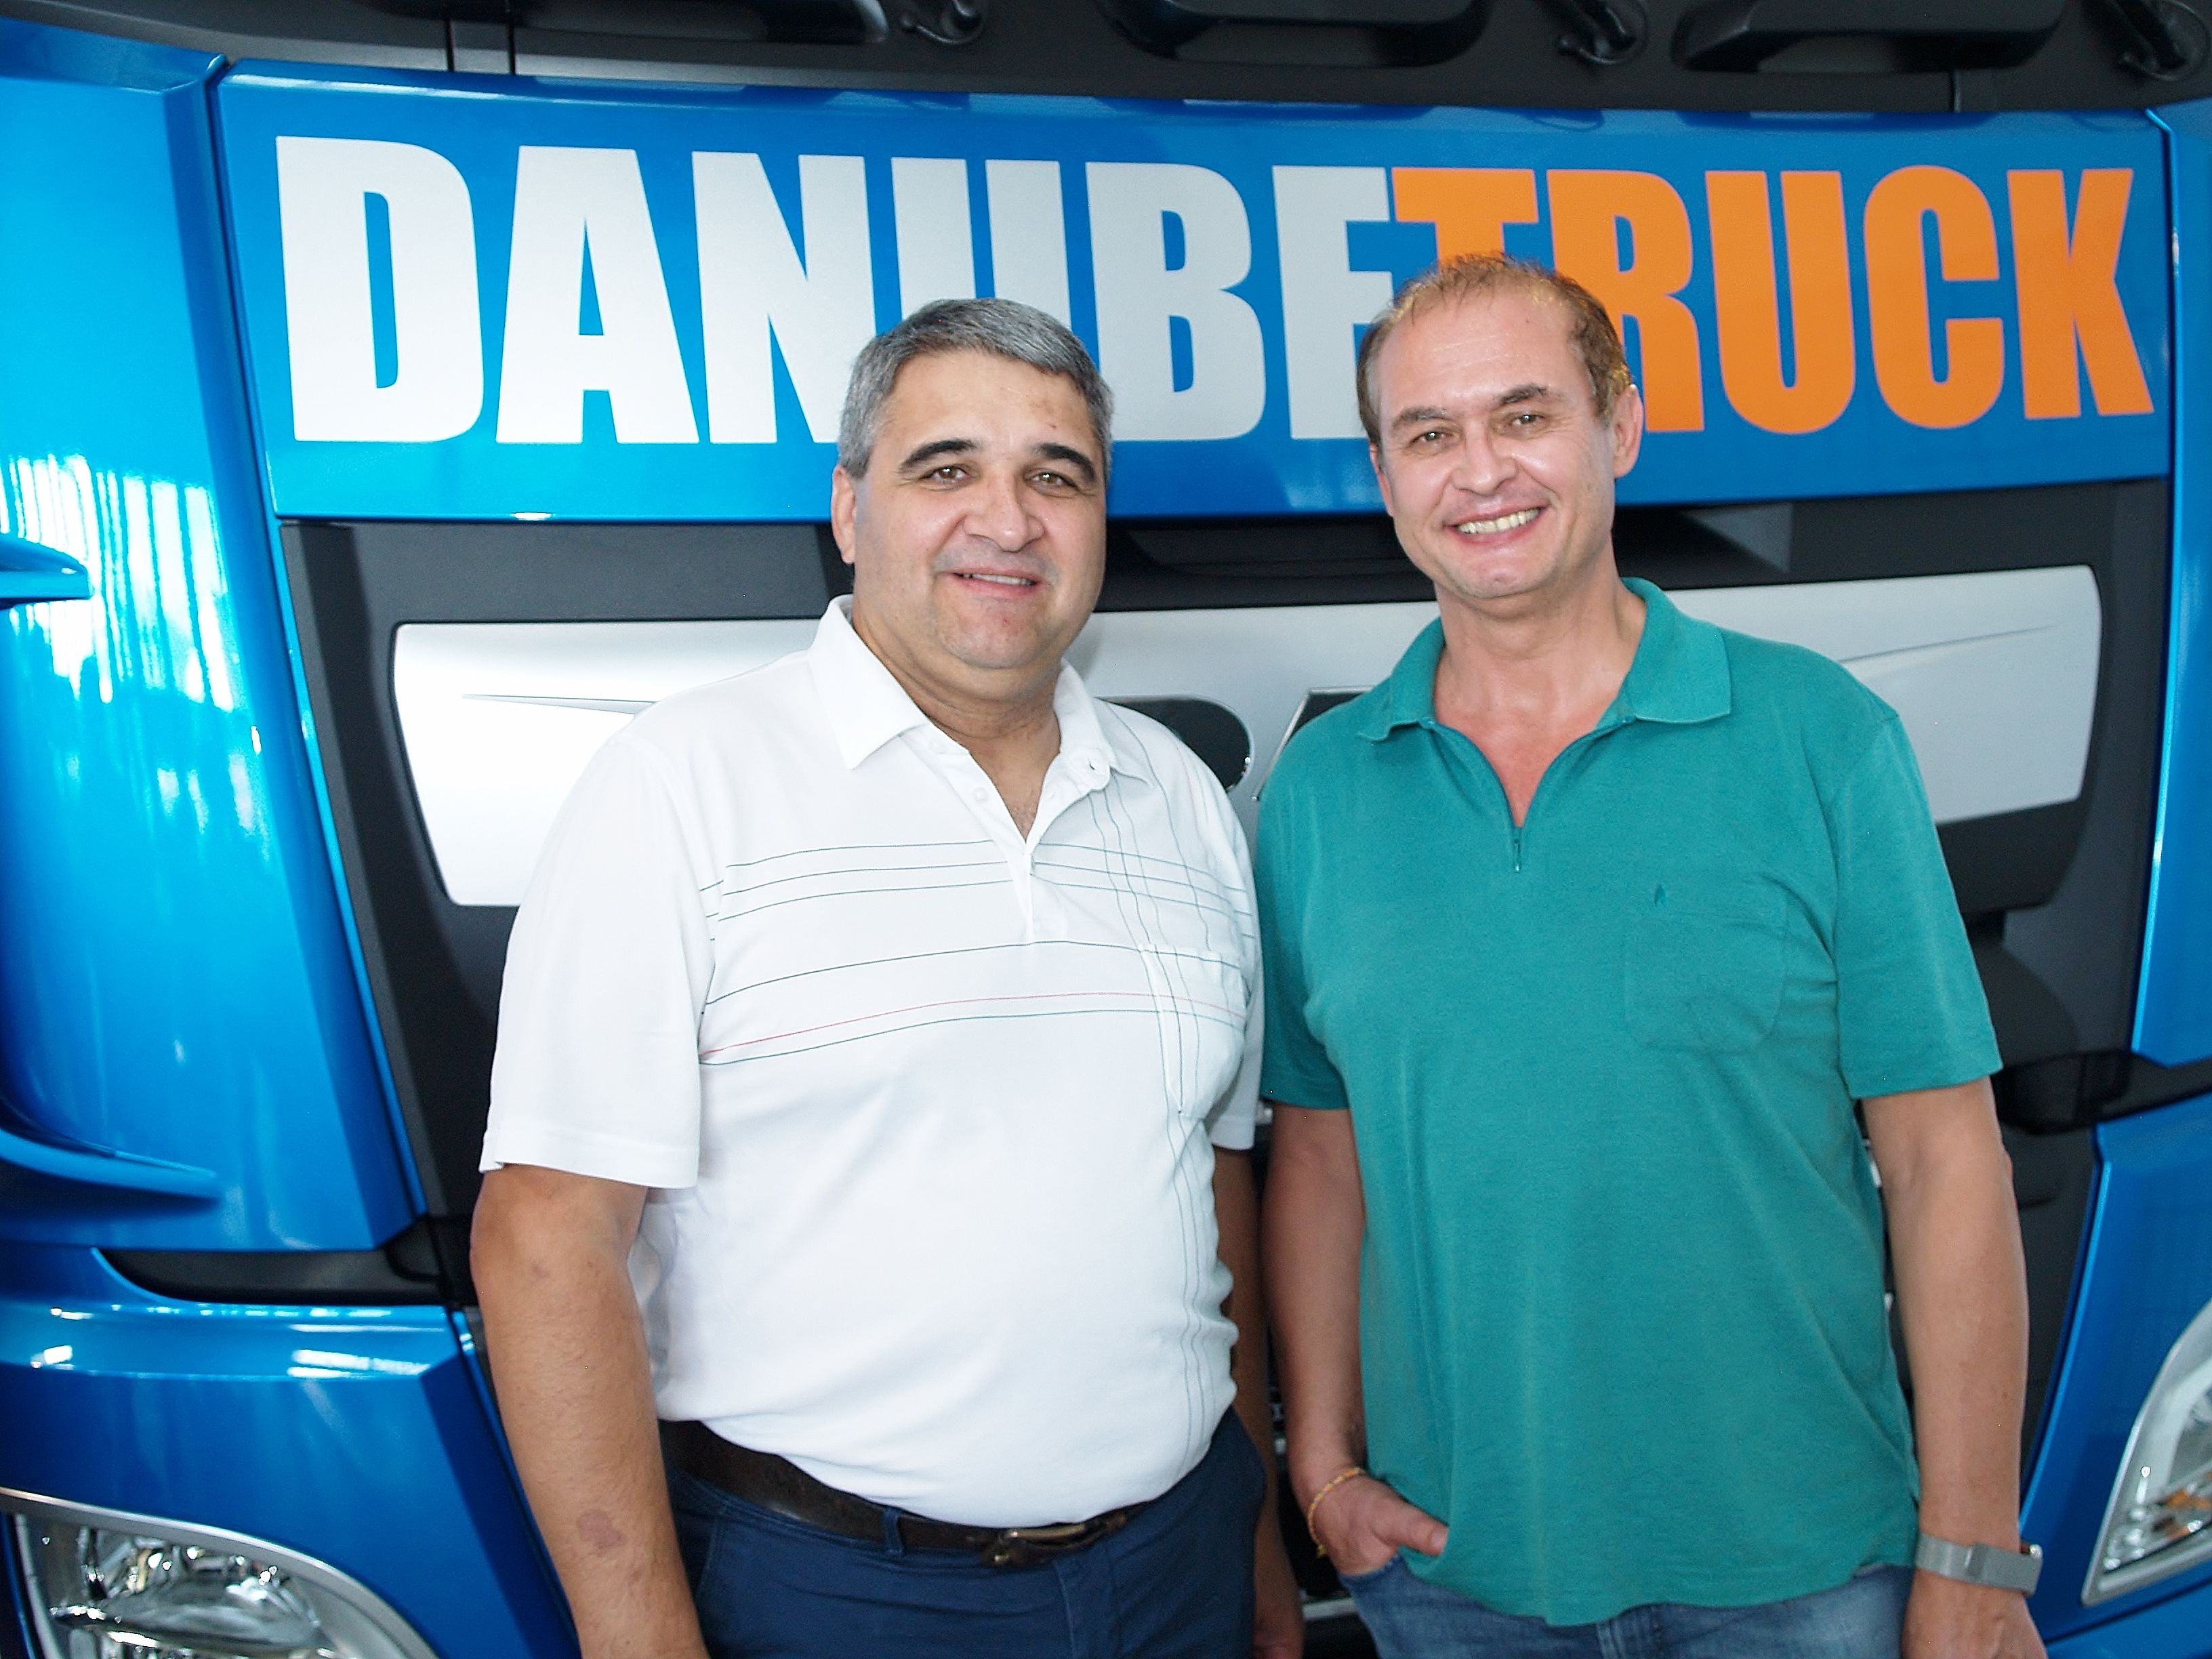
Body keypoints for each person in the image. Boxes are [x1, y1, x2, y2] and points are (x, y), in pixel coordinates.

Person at [471, 297, 1302, 1659]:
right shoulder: (680, 787)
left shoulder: (1180, 802)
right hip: (839, 1596)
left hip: (1178, 1572)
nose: (1008, 521)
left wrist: (1253, 1536)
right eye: (946, 468)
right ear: (852, 509)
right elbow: (545, 1237)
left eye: (1056, 476)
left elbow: (1210, 1192)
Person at [1258, 255, 2046, 1659]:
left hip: (1804, 1572)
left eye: (1524, 415)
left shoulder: (1819, 738)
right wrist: (1321, 1464)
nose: (1481, 472)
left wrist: (1973, 1559)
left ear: (1619, 426)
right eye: (1430, 434)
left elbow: (1945, 1163)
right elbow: (1322, 1154)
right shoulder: (1321, 789)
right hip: (1452, 1575)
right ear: (1383, 476)